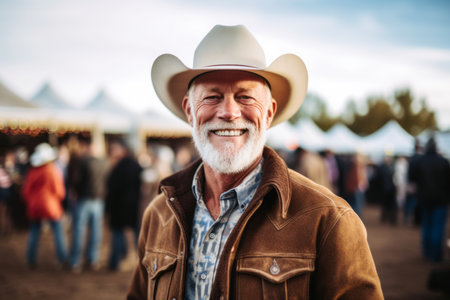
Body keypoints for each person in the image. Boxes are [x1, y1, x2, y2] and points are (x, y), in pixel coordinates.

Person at [128, 25, 383, 299]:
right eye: (212, 96)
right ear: (190, 111)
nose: (228, 112)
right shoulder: (159, 214)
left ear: (269, 112)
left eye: (245, 96)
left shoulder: (329, 219)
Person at [22, 143, 67, 269]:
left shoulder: (32, 171)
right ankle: (62, 258)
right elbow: (60, 191)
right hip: (50, 205)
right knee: (58, 230)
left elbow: (25, 191)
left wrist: (32, 201)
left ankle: (30, 259)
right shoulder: (52, 170)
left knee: (34, 232)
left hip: (35, 206)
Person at [67, 138, 108, 272]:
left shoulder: (83, 162)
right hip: (98, 200)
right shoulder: (104, 162)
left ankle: (76, 261)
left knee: (79, 231)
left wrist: (75, 192)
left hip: (84, 199)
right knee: (96, 232)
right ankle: (93, 260)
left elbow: (75, 180)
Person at [409, 137, 450, 262]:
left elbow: (413, 179)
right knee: (437, 227)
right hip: (441, 200)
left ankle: (426, 253)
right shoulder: (443, 161)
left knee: (426, 225)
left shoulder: (420, 161)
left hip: (424, 199)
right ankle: (435, 256)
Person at [105, 140, 143, 270]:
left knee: (118, 234)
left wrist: (108, 208)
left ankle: (115, 262)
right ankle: (143, 262)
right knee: (138, 234)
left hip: (119, 207)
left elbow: (111, 188)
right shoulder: (137, 166)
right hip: (135, 206)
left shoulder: (118, 167)